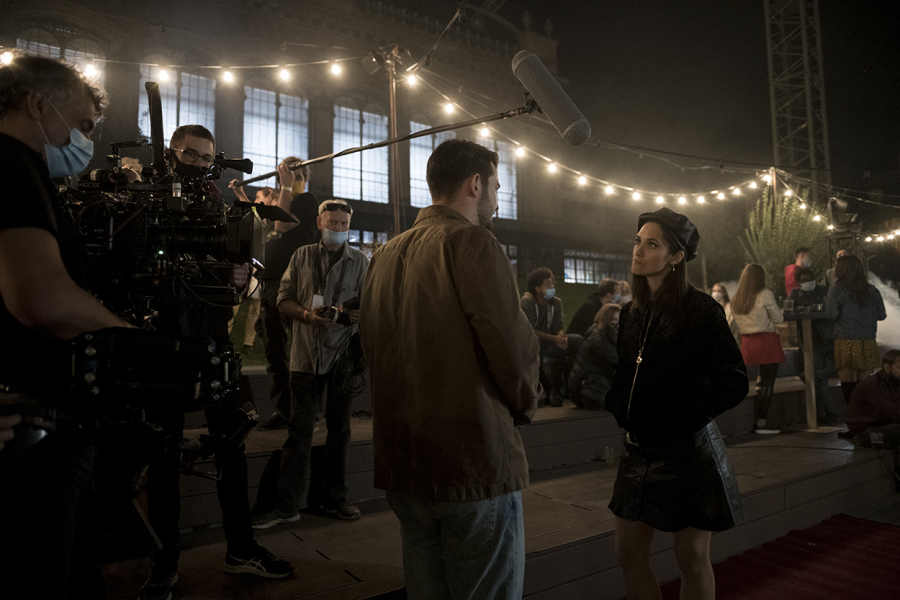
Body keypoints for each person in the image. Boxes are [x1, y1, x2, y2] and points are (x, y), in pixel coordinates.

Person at [359, 139, 541, 599]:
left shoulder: (383, 256)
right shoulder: (473, 242)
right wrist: (525, 405)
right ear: (475, 184)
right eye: (496, 187)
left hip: (404, 460)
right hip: (470, 459)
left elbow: (371, 347)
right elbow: (512, 350)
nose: (496, 200)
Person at [139, 125, 291, 600]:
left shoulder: (221, 208)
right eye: (191, 155)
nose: (200, 164)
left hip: (212, 336)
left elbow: (240, 273)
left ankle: (240, 547)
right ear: (171, 153)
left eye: (207, 158)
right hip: (162, 343)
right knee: (162, 454)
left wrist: (241, 272)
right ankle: (164, 560)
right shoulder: (146, 200)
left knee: (232, 443)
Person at [0, 52, 132, 599]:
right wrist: (133, 340)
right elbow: (45, 301)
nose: (85, 141)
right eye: (82, 125)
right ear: (37, 104)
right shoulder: (11, 163)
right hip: (28, 438)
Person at [605, 207, 747, 600]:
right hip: (638, 451)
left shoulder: (700, 309)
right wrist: (617, 400)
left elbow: (734, 380)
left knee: (691, 557)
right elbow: (624, 368)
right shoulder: (631, 311)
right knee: (627, 554)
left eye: (652, 244)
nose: (639, 250)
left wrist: (687, 414)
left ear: (676, 257)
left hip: (688, 454)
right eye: (638, 241)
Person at [251, 199, 368, 527]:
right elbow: (282, 299)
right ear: (319, 223)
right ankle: (286, 505)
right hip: (304, 356)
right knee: (299, 432)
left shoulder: (360, 261)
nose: (338, 229)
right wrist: (307, 315)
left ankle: (332, 499)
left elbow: (372, 304)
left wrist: (355, 314)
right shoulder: (301, 256)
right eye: (332, 223)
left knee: (340, 431)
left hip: (343, 356)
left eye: (344, 224)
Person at [239, 158, 319, 431]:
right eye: (288, 174)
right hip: (271, 282)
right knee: (274, 348)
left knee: (302, 350)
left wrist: (286, 186)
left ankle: (306, 410)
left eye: (298, 174)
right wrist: (240, 193)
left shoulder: (306, 201)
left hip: (297, 284)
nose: (293, 178)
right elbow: (258, 220)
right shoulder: (279, 203)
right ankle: (284, 410)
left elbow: (283, 225)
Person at [732, 264, 786, 434]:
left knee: (759, 383)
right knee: (768, 383)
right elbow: (779, 318)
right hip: (766, 341)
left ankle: (755, 421)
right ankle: (761, 423)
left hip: (747, 342)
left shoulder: (737, 298)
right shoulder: (765, 294)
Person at [825, 254, 886, 405]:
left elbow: (831, 315)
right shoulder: (872, 290)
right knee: (865, 385)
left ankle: (853, 416)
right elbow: (881, 315)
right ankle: (865, 416)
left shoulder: (836, 290)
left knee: (849, 386)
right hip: (868, 341)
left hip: (845, 341)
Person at [521, 267, 582, 406]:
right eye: (548, 284)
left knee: (577, 340)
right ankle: (548, 390)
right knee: (535, 344)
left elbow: (558, 326)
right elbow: (529, 330)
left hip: (550, 343)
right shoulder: (527, 302)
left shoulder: (556, 302)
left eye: (552, 283)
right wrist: (554, 339)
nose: (552, 286)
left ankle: (570, 385)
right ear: (537, 288)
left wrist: (561, 338)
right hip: (533, 344)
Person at [788, 267, 839, 425]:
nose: (807, 282)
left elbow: (830, 310)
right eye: (803, 280)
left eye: (809, 279)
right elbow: (788, 310)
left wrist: (806, 309)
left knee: (824, 375)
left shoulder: (825, 291)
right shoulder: (796, 294)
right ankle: (824, 413)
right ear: (799, 282)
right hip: (810, 341)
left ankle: (827, 412)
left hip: (827, 338)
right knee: (816, 377)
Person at [567, 303, 620, 410]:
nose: (618, 323)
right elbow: (615, 359)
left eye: (619, 319)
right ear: (606, 319)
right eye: (614, 320)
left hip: (594, 386)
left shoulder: (608, 334)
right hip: (590, 389)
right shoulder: (598, 337)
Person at [845, 349, 900, 449]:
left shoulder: (894, 381)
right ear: (887, 367)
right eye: (899, 368)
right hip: (866, 432)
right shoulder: (873, 385)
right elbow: (895, 414)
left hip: (884, 425)